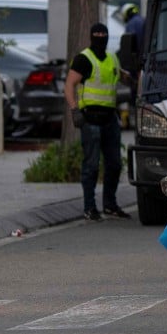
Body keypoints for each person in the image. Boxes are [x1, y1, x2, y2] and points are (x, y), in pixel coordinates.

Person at [64, 22, 132, 221]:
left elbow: (118, 76)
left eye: (104, 33)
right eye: (98, 34)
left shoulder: (112, 57)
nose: (101, 36)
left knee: (115, 164)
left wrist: (131, 77)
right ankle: (89, 207)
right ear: (92, 36)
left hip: (110, 118)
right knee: (91, 166)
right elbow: (69, 84)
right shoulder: (83, 58)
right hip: (90, 119)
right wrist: (74, 110)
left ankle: (110, 204)